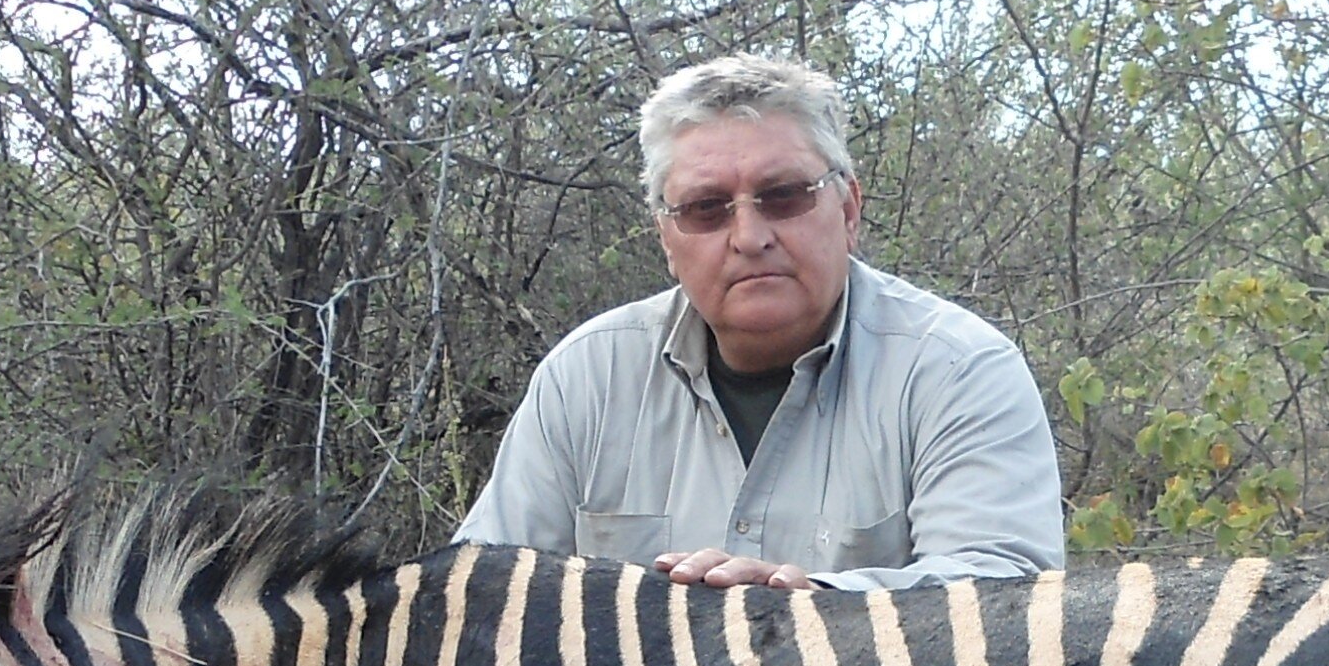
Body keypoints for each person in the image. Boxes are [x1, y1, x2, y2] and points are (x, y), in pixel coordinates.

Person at [453, 54, 1065, 594]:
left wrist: (809, 610)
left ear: (848, 209)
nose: (749, 237)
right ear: (667, 238)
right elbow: (479, 591)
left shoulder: (958, 370)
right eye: (705, 209)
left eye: (784, 196)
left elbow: (1003, 593)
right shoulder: (585, 378)